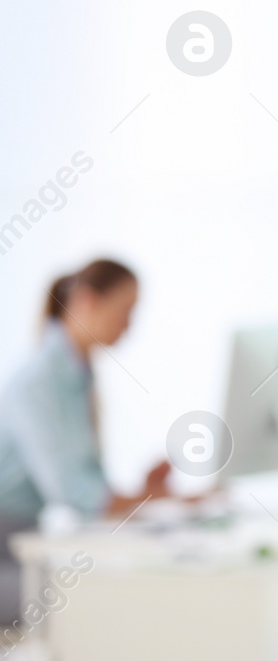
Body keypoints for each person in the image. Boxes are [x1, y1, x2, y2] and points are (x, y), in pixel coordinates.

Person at [0, 260, 175, 620]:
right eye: (125, 311)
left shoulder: (80, 377)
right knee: (92, 602)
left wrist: (144, 493)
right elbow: (76, 494)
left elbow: (88, 487)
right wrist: (149, 500)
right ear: (86, 301)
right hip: (9, 551)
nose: (129, 326)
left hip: (21, 542)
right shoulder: (39, 381)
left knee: (122, 586)